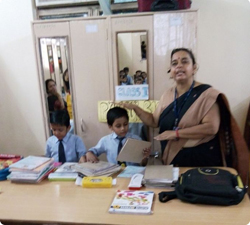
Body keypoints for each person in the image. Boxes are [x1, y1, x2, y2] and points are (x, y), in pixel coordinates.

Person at [122, 48, 249, 185]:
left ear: (194, 68)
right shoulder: (167, 95)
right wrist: (135, 108)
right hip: (173, 161)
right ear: (170, 71)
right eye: (174, 63)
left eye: (184, 62)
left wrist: (176, 133)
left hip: (201, 161)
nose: (179, 66)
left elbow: (211, 127)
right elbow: (153, 121)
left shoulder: (207, 94)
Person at [86, 107, 151, 166]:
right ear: (110, 126)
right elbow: (93, 151)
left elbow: (143, 164)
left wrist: (145, 157)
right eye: (118, 126)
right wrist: (89, 153)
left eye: (125, 124)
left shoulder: (136, 139)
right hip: (114, 174)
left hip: (133, 174)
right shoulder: (105, 141)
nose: (123, 128)